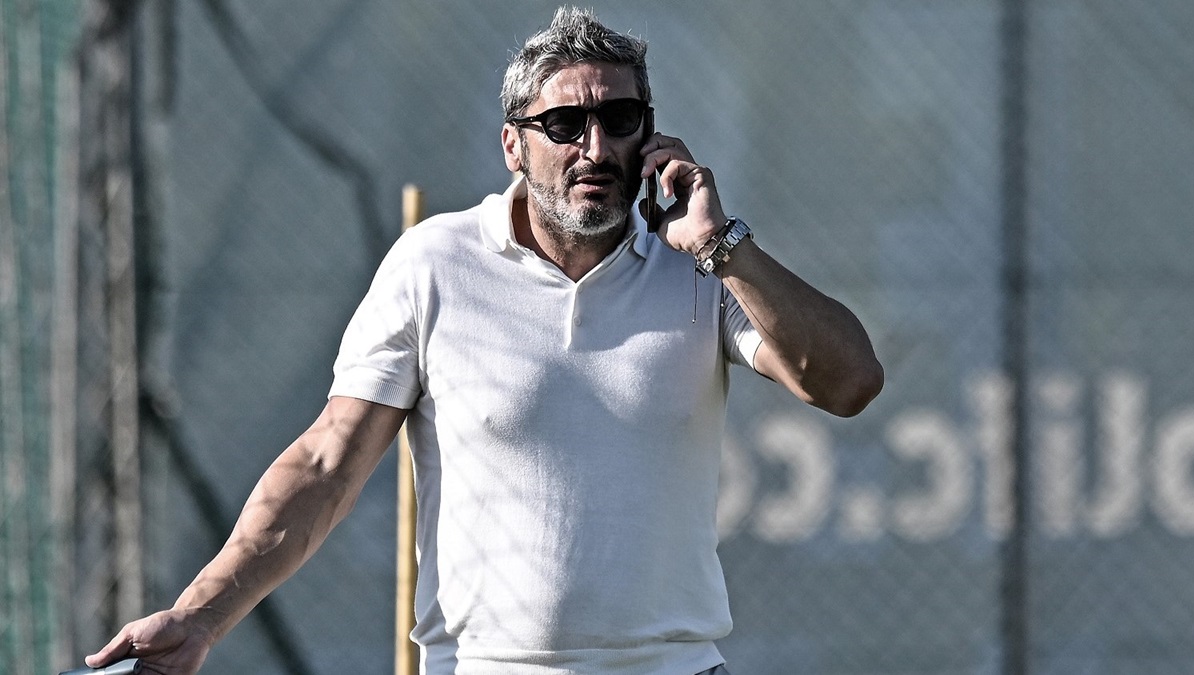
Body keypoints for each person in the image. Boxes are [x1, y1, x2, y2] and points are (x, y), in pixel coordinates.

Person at [86, 7, 883, 674]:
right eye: (564, 124)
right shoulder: (434, 262)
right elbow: (326, 463)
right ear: (513, 145)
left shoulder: (701, 267)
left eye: (619, 120)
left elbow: (848, 382)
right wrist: (200, 616)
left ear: (650, 136)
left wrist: (720, 245)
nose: (594, 148)